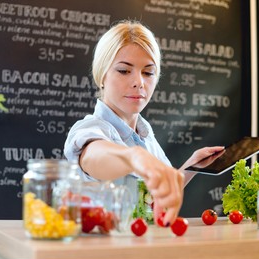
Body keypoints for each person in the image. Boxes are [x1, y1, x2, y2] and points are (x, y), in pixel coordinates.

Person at [64, 20, 224, 226]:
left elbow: (152, 198)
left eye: (148, 72)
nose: (139, 81)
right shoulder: (91, 128)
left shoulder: (146, 135)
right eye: (124, 70)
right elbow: (94, 157)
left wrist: (189, 168)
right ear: (101, 76)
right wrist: (133, 157)